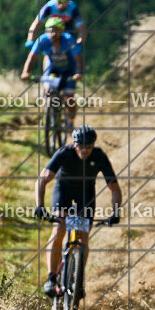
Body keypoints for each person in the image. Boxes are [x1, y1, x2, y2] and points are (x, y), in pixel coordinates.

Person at [34, 125, 121, 298]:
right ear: (74, 144)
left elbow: (114, 188)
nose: (85, 150)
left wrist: (116, 212)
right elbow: (42, 180)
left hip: (85, 194)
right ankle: (51, 278)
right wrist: (40, 205)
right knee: (59, 229)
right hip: (63, 190)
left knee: (83, 238)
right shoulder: (64, 153)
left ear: (93, 145)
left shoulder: (99, 156)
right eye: (81, 146)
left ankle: (77, 278)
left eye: (89, 146)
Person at [21, 17, 84, 130]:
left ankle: (70, 121)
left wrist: (79, 72)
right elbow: (32, 57)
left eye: (57, 30)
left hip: (69, 68)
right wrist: (26, 72)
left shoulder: (68, 39)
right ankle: (48, 116)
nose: (53, 33)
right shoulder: (42, 40)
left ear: (62, 31)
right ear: (46, 31)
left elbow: (78, 57)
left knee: (69, 97)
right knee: (47, 91)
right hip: (52, 68)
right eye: (50, 30)